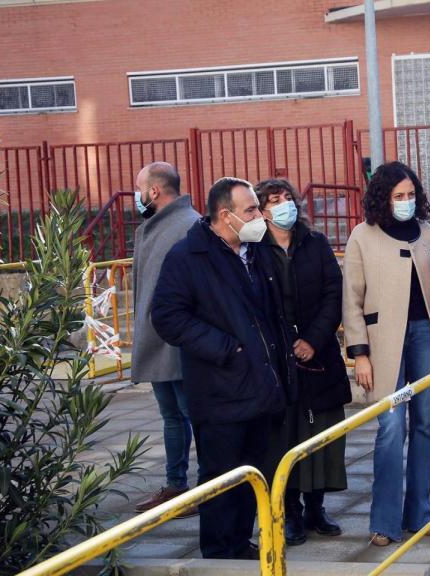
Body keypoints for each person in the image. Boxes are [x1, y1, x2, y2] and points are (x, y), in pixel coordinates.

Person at [151, 177, 296, 559]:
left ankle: (239, 541)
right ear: (224, 215)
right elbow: (166, 316)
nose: (259, 216)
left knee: (253, 471)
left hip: (260, 384)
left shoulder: (256, 251)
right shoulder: (189, 257)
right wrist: (224, 347)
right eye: (250, 210)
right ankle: (217, 552)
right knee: (220, 475)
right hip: (218, 388)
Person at [342, 161, 430, 547]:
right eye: (398, 196)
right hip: (383, 343)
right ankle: (384, 522)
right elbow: (351, 298)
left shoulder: (429, 232)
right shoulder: (362, 236)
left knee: (425, 426)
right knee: (391, 427)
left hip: (425, 338)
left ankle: (419, 513)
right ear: (382, 198)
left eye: (410, 195)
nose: (405, 202)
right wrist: (359, 354)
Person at [256, 178, 350, 545]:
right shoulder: (255, 250)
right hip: (279, 362)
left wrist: (313, 338)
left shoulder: (315, 243)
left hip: (319, 355)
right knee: (286, 437)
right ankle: (291, 512)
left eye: (287, 198)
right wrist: (285, 344)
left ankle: (316, 508)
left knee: (322, 435)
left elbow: (333, 291)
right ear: (262, 211)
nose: (284, 205)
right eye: (274, 200)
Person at [129, 162, 200, 516]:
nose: (136, 195)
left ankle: (207, 487)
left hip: (181, 341)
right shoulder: (151, 227)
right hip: (156, 339)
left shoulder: (190, 224)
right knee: (171, 415)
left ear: (154, 191)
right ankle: (176, 486)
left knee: (194, 414)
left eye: (139, 188)